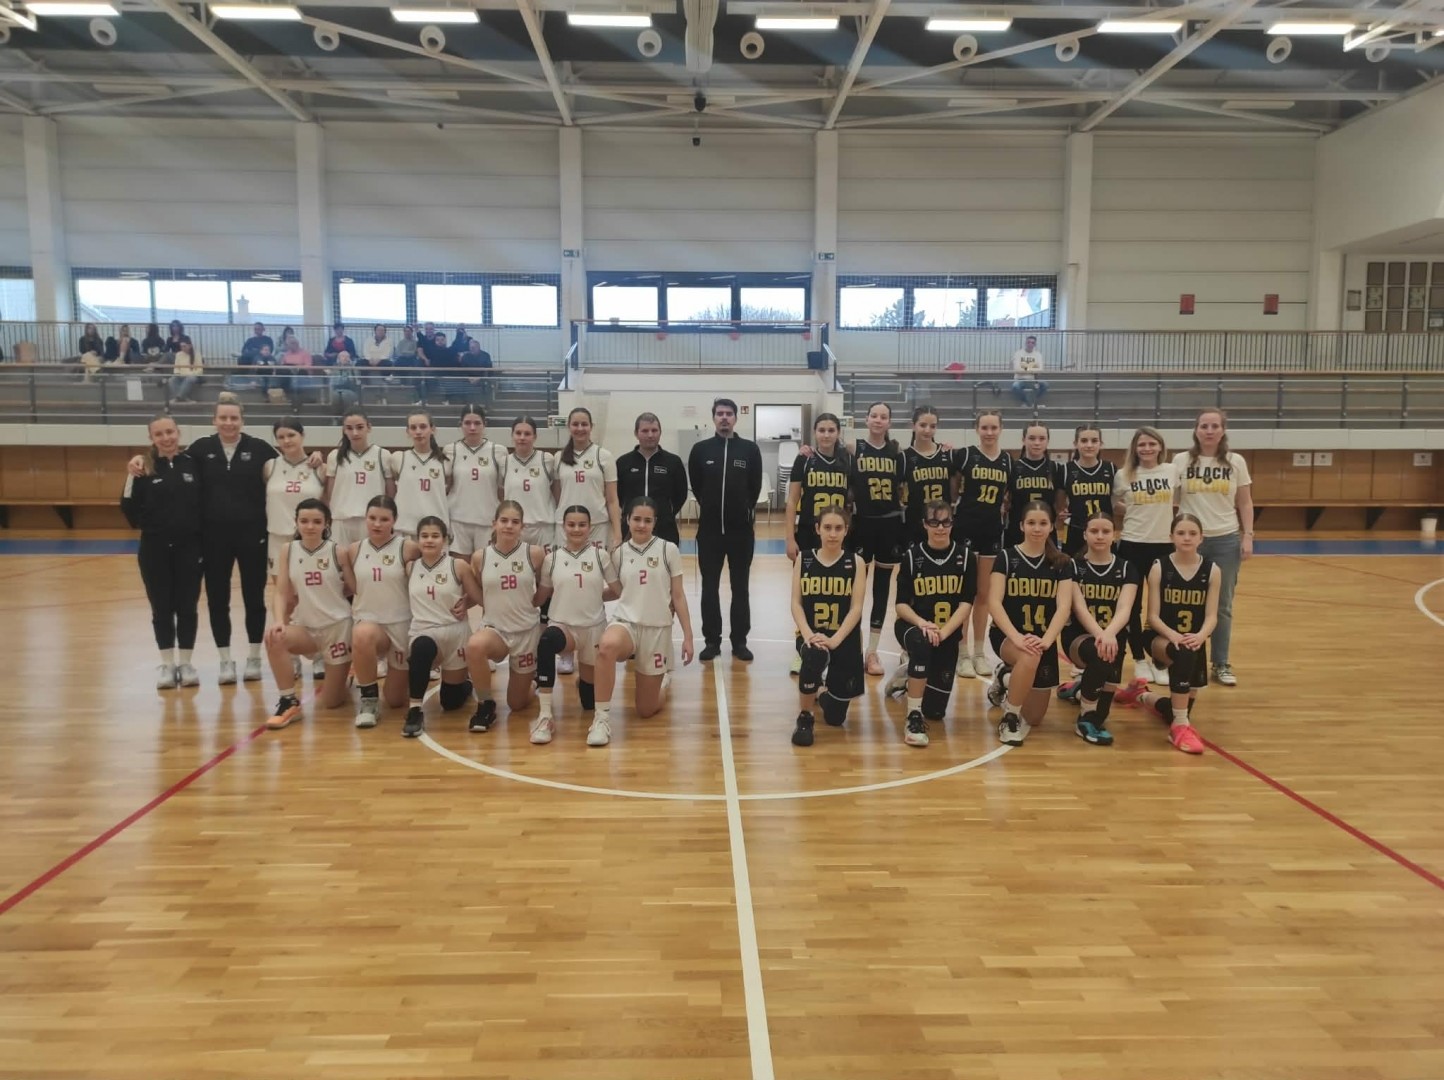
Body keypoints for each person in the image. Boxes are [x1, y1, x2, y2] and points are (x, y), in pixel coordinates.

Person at [127, 395, 279, 685]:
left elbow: (290, 466)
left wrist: (313, 458)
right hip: (213, 540)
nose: (228, 423)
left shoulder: (260, 449)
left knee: (254, 599)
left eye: (234, 418)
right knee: (218, 600)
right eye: (223, 417)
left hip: (253, 538)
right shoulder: (199, 450)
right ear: (214, 420)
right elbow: (168, 462)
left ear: (242, 420)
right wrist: (138, 459)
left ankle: (254, 657)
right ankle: (225, 660)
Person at [590, 497, 694, 747]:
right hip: (626, 622)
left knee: (645, 710)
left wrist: (688, 637)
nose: (641, 525)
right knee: (606, 647)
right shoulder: (618, 553)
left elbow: (678, 595)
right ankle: (601, 719)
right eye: (636, 519)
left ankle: (662, 683)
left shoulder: (668, 550)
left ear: (655, 522)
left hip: (657, 629)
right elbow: (617, 591)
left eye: (647, 520)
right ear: (627, 520)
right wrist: (586, 595)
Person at [1116, 513, 1219, 755]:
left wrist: (1201, 636)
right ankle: (1179, 728)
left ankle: (1140, 696)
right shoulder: (1160, 567)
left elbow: (1212, 616)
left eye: (1192, 533)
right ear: (1171, 537)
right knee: (1182, 656)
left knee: (1176, 708)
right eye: (1181, 533)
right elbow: (1152, 616)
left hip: (1193, 641)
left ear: (1201, 538)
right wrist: (1173, 636)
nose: (1186, 538)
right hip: (1159, 637)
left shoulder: (1212, 570)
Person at [121, 414, 203, 690]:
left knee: (188, 607)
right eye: (159, 434)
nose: (166, 438)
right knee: (161, 608)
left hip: (190, 549)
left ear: (178, 433)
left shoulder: (193, 463)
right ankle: (167, 665)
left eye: (170, 432)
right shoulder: (143, 467)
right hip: (154, 550)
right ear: (151, 438)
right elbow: (128, 505)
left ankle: (186, 663)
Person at [985, 499, 1074, 747]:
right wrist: (1017, 638)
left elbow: (1063, 607)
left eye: (1043, 523)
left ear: (1051, 527)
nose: (1037, 528)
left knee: (1034, 718)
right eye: (1031, 523)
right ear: (1021, 526)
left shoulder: (1061, 563)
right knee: (1028, 656)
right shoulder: (1006, 557)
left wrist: (1046, 641)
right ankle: (1010, 717)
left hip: (1042, 640)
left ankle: (1005, 676)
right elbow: (994, 603)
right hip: (1008, 636)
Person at [888, 500, 975, 748]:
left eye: (946, 522)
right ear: (925, 524)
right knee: (922, 643)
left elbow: (966, 603)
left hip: (946, 633)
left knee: (935, 712)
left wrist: (945, 632)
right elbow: (901, 605)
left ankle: (908, 676)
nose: (940, 528)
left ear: (952, 523)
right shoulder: (912, 557)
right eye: (934, 522)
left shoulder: (965, 557)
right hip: (913, 628)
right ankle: (913, 716)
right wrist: (922, 623)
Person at [1173, 409, 1251, 687]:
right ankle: (1179, 658)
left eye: (1214, 426)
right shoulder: (1181, 460)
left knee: (1222, 605)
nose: (1209, 430)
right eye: (1204, 426)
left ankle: (1220, 662)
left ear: (1222, 430)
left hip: (1225, 539)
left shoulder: (1235, 461)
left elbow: (1245, 502)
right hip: (1189, 541)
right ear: (1196, 429)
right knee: (1182, 601)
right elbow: (1168, 499)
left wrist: (1247, 535)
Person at [263, 499, 356, 731]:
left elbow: (354, 588)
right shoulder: (288, 550)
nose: (310, 526)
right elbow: (281, 592)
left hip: (337, 629)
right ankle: (288, 702)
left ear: (326, 524)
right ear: (296, 522)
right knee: (274, 637)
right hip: (306, 628)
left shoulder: (338, 551)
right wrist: (279, 621)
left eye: (316, 521)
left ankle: (347, 672)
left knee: (332, 702)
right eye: (304, 521)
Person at [533, 505, 622, 745]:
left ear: (590, 527)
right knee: (546, 641)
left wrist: (594, 596)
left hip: (593, 628)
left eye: (582, 525)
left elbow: (618, 591)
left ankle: (584, 685)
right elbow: (540, 597)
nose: (576, 529)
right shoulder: (551, 559)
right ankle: (545, 716)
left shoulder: (600, 556)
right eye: (571, 524)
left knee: (589, 702)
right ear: (563, 527)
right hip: (564, 628)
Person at [687, 398, 763, 663]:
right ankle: (712, 641)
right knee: (709, 588)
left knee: (740, 588)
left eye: (729, 414)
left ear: (735, 418)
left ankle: (740, 642)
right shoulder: (700, 450)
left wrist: (741, 511)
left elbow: (754, 487)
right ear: (713, 417)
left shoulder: (749, 450)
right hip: (709, 533)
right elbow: (697, 485)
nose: (724, 418)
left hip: (740, 533)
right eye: (719, 413)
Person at [463, 500, 547, 733]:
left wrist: (535, 605)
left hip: (526, 632)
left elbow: (545, 587)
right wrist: (463, 603)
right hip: (496, 630)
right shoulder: (480, 557)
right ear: (494, 524)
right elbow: (479, 591)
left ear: (523, 526)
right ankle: (485, 705)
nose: (509, 526)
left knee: (517, 704)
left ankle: (533, 681)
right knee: (475, 646)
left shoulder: (535, 554)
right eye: (504, 521)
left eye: (515, 522)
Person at [789, 506, 866, 747]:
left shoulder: (856, 562)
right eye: (827, 527)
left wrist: (835, 640)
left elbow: (856, 609)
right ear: (817, 529)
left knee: (835, 718)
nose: (833, 534)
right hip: (812, 635)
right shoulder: (804, 559)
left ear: (846, 530)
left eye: (838, 528)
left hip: (844, 638)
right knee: (814, 655)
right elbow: (795, 603)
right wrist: (808, 635)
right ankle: (805, 717)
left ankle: (820, 691)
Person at [401, 517, 484, 739]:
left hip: (456, 633)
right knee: (421, 649)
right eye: (424, 536)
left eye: (435, 536)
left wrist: (466, 603)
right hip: (424, 630)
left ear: (445, 539)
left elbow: (478, 597)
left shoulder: (458, 566)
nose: (429, 540)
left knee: (450, 703)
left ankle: (465, 682)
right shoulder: (410, 567)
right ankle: (414, 710)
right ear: (417, 540)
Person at [1060, 512, 1139, 746]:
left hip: (1113, 638)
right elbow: (1080, 608)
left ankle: (1080, 689)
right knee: (1100, 656)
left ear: (1114, 535)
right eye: (1094, 531)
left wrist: (1109, 633)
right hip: (1080, 637)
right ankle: (1084, 719)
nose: (1100, 536)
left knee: (1102, 713)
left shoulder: (1127, 568)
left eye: (1106, 531)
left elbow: (1125, 608)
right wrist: (1101, 635)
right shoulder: (1073, 566)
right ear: (1085, 534)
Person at [348, 495, 419, 729]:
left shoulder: (408, 548)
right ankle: (368, 701)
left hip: (401, 625)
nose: (377, 524)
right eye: (372, 518)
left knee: (395, 700)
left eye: (384, 519)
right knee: (361, 634)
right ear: (365, 518)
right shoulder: (354, 550)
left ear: (394, 521)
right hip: (369, 623)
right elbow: (345, 587)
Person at [952, 410, 1013, 679]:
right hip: (966, 527)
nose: (989, 432)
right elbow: (952, 484)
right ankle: (962, 652)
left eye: (993, 427)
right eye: (984, 427)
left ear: (1001, 429)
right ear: (977, 429)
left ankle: (979, 651)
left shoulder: (1007, 461)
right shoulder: (965, 455)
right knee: (965, 592)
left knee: (984, 594)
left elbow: (1007, 496)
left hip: (992, 530)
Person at [847, 401, 906, 677]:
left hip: (889, 525)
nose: (878, 420)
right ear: (866, 419)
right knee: (855, 589)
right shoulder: (853, 449)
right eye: (874, 415)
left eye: (884, 417)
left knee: (881, 590)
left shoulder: (897, 454)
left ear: (889, 422)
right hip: (862, 524)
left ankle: (872, 651)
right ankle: (853, 647)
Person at [1114, 426, 1174, 684]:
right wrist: (1131, 509)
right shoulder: (1123, 475)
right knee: (1132, 606)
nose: (1147, 448)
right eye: (1142, 444)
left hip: (1164, 546)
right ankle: (1139, 658)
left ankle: (1160, 659)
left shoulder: (1172, 470)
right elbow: (1112, 503)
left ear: (1160, 446)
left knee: (1163, 607)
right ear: (1135, 449)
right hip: (1132, 544)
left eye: (1152, 444)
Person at [264, 417, 325, 582]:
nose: (286, 440)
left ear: (302, 435)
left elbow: (327, 504)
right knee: (281, 589)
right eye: (281, 437)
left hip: (309, 537)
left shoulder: (320, 468)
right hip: (277, 537)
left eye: (291, 435)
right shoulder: (270, 466)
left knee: (310, 589)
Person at [324, 408, 396, 548]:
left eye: (359, 427)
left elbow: (390, 493)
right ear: (344, 430)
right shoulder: (335, 456)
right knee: (340, 560)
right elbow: (330, 493)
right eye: (349, 428)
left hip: (371, 521)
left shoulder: (383, 455)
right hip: (341, 520)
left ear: (369, 427)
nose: (355, 433)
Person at [616, 412, 689, 545]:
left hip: (664, 528)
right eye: (645, 431)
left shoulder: (673, 462)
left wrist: (665, 513)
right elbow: (618, 495)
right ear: (636, 433)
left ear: (660, 432)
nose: (650, 435)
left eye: (654, 430)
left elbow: (681, 494)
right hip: (631, 528)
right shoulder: (623, 462)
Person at [555, 406, 621, 552]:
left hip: (597, 526)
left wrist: (617, 532)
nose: (580, 428)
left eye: (584, 424)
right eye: (575, 424)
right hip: (566, 527)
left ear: (591, 426)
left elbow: (612, 499)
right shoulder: (559, 457)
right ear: (569, 427)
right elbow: (557, 496)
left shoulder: (604, 456)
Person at [446, 404, 506, 559]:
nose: (472, 428)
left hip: (488, 519)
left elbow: (502, 488)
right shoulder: (450, 450)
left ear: (484, 424)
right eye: (467, 423)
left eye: (477, 423)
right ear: (460, 425)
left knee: (485, 568)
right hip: (458, 519)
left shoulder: (498, 451)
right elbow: (447, 486)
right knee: (460, 568)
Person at [387, 409, 451, 538]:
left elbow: (448, 491)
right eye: (413, 428)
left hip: (434, 530)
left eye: (423, 427)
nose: (418, 431)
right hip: (405, 529)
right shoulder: (398, 459)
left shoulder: (445, 462)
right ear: (407, 432)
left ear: (433, 429)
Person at [1004, 422, 1064, 548]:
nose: (1037, 443)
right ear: (1023, 440)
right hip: (1017, 531)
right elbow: (1005, 501)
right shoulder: (1013, 468)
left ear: (1048, 441)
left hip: (1046, 533)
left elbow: (1060, 505)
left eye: (1042, 439)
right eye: (1032, 438)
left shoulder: (1056, 469)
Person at [1059, 424, 1116, 556]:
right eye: (1084, 441)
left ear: (1101, 444)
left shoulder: (1111, 468)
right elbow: (1059, 502)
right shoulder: (1066, 470)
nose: (1089, 445)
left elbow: (1116, 500)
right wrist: (1060, 511)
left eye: (1094, 441)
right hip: (1076, 530)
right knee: (1073, 567)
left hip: (1104, 531)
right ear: (1075, 443)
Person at [900, 405, 951, 550]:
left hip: (942, 523)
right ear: (913, 425)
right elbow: (898, 489)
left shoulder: (947, 453)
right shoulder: (904, 457)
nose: (927, 430)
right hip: (915, 522)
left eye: (932, 426)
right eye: (923, 425)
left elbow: (955, 484)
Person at [503, 415, 558, 548]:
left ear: (535, 436)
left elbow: (557, 490)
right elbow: (500, 493)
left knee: (545, 562)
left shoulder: (547, 460)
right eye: (518, 433)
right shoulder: (504, 462)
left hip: (543, 527)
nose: (522, 437)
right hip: (515, 527)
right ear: (512, 435)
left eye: (527, 434)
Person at [1010, 334, 1047, 409]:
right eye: (1028, 342)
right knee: (1015, 386)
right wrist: (1033, 368)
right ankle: (1030, 403)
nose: (1030, 344)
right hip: (1020, 379)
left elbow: (1040, 370)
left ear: (1035, 344)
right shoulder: (1018, 353)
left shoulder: (1038, 355)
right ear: (1025, 343)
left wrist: (1024, 368)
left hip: (1032, 380)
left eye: (1032, 343)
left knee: (1045, 385)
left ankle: (1028, 404)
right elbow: (1017, 369)